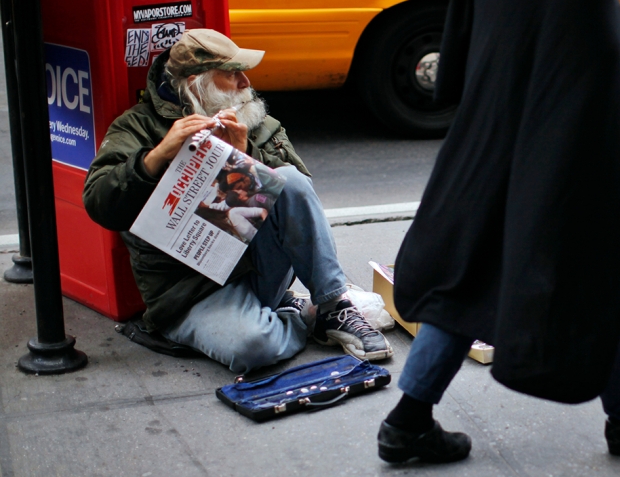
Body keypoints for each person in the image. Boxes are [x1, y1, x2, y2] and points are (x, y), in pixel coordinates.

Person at [377, 0, 620, 463]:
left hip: (498, 117)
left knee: (471, 265)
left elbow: (463, 35)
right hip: (564, 131)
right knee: (603, 259)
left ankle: (408, 418)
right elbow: (600, 52)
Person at [83, 28, 393, 374]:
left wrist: (245, 155)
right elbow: (99, 204)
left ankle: (333, 305)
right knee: (253, 348)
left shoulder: (254, 120)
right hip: (189, 291)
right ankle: (299, 315)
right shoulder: (136, 126)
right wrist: (156, 157)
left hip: (258, 266)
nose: (246, 81)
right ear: (198, 83)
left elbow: (300, 196)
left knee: (288, 178)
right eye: (232, 74)